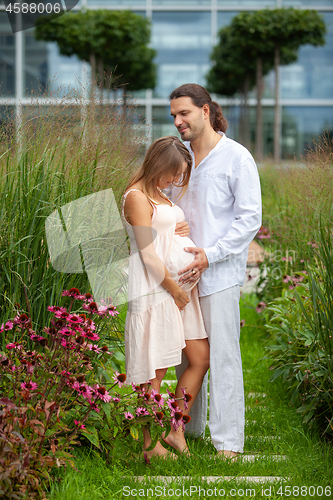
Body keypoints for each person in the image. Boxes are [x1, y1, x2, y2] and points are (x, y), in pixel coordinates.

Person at [168, 83, 262, 459]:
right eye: (173, 115)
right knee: (186, 356)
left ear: (205, 111)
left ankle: (228, 443)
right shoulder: (180, 156)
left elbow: (249, 218)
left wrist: (211, 254)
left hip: (219, 273)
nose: (177, 121)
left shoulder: (236, 157)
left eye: (184, 113)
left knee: (223, 356)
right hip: (182, 275)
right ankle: (187, 430)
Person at [122, 136, 210, 458]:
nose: (175, 181)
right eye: (172, 173)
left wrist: (180, 225)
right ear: (157, 164)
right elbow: (146, 253)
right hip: (155, 290)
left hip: (177, 291)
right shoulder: (136, 197)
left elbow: (165, 229)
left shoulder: (159, 195)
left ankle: (176, 430)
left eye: (180, 175)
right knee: (154, 371)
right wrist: (174, 289)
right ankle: (149, 445)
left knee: (200, 359)